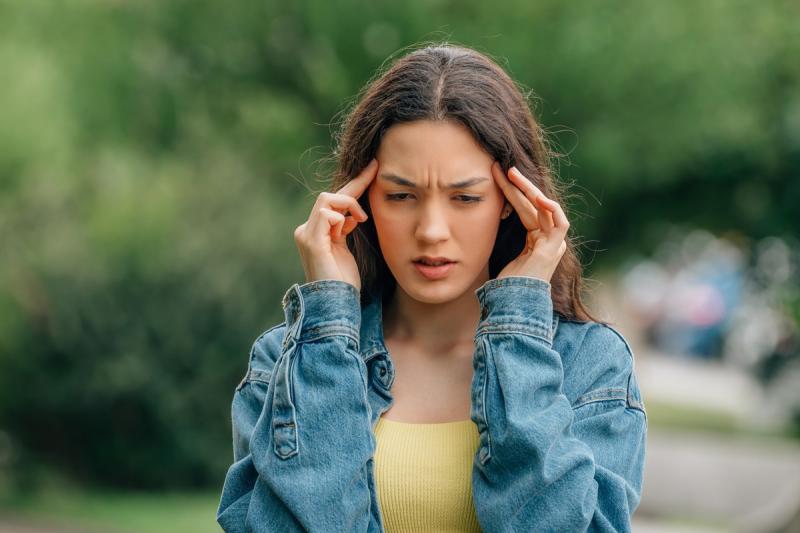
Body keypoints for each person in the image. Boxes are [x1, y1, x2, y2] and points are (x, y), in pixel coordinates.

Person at [216, 42, 647, 532]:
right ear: (358, 201)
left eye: (465, 197)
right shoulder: (289, 363)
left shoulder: (589, 364)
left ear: (512, 201)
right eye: (401, 195)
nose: (432, 230)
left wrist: (516, 331)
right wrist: (329, 325)